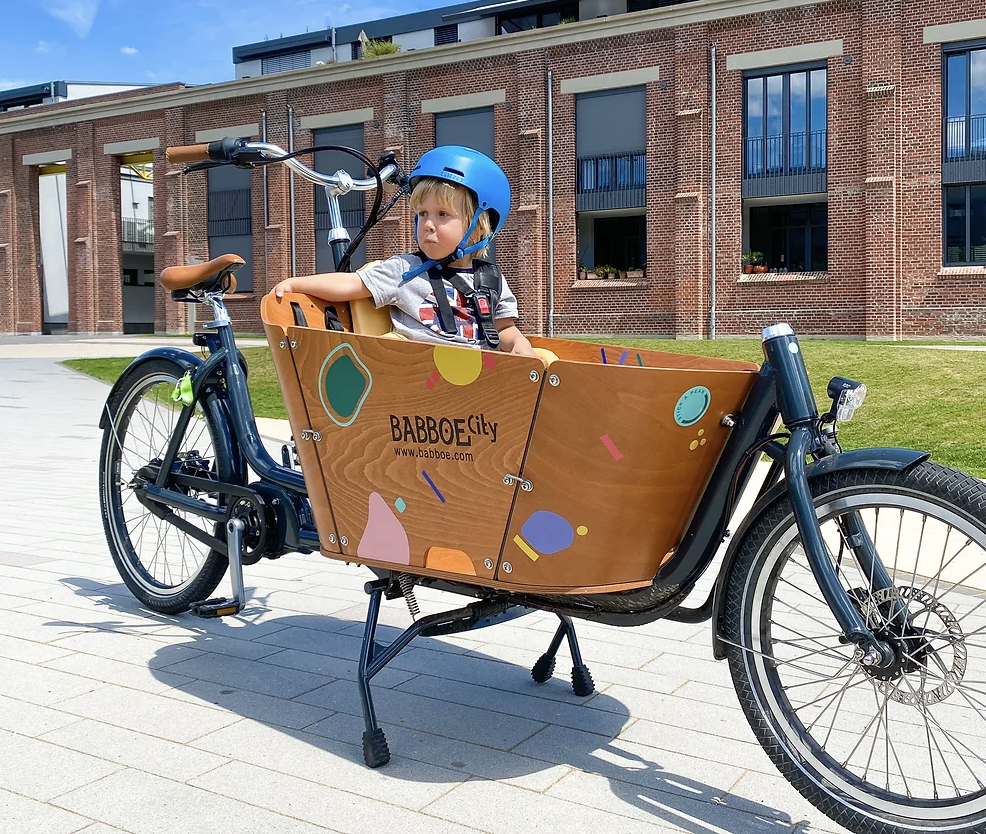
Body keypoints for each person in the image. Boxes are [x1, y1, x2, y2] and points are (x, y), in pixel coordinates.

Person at [273, 145, 536, 358]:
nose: (428, 224)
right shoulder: (405, 270)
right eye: (422, 214)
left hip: (483, 384)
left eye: (442, 214)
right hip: (419, 385)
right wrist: (295, 282)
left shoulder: (491, 279)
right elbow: (353, 283)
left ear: (478, 227)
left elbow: (502, 328)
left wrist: (518, 343)